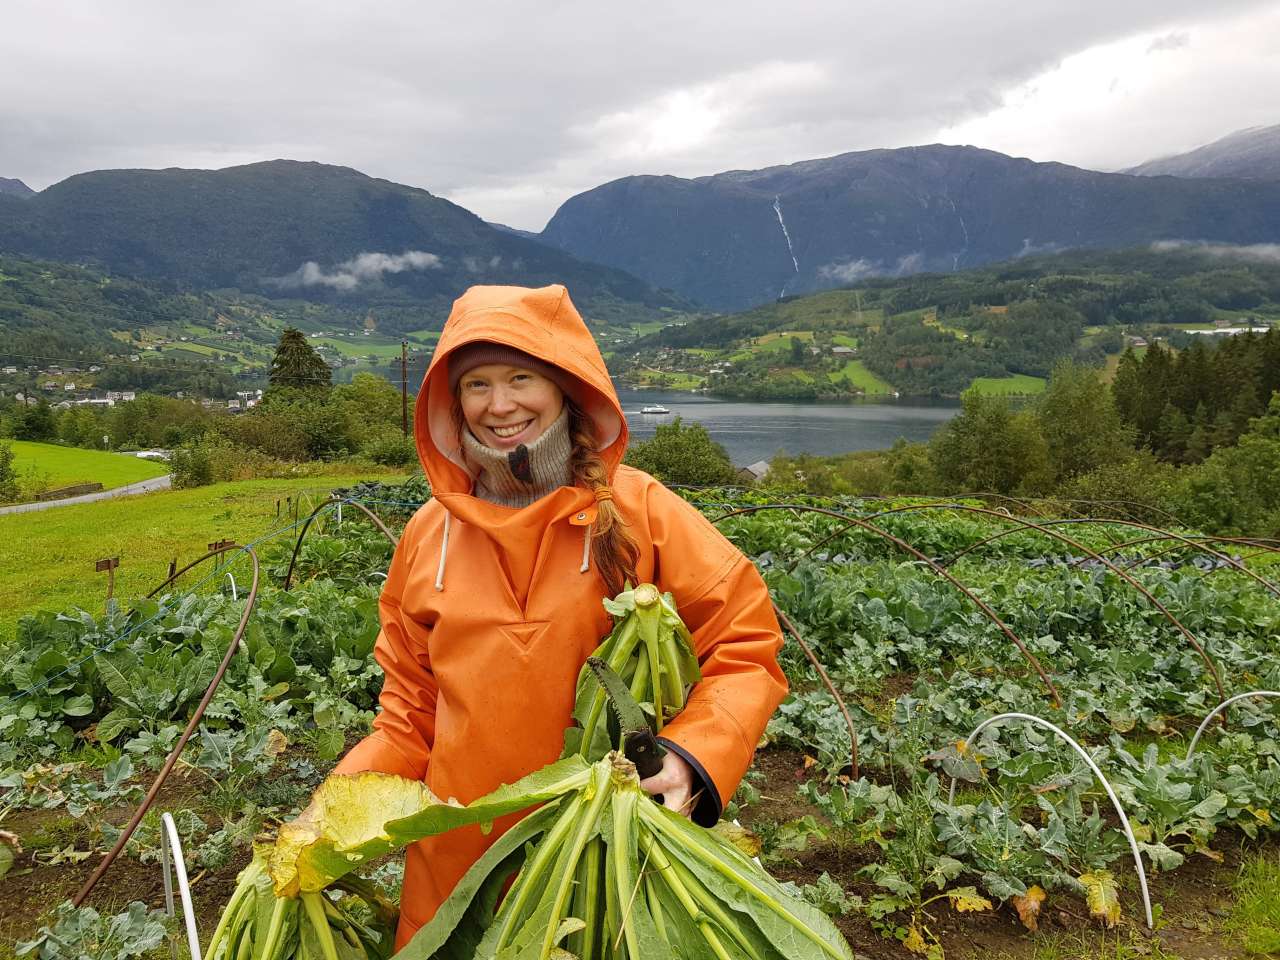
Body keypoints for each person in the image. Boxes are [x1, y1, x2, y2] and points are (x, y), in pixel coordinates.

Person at [327, 283, 787, 948]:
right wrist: (329, 810)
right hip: (458, 874)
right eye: (477, 384)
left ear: (566, 386)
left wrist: (694, 757)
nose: (500, 404)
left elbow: (745, 639)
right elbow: (409, 715)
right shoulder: (430, 536)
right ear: (452, 402)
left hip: (604, 862)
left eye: (522, 377)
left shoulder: (641, 512)